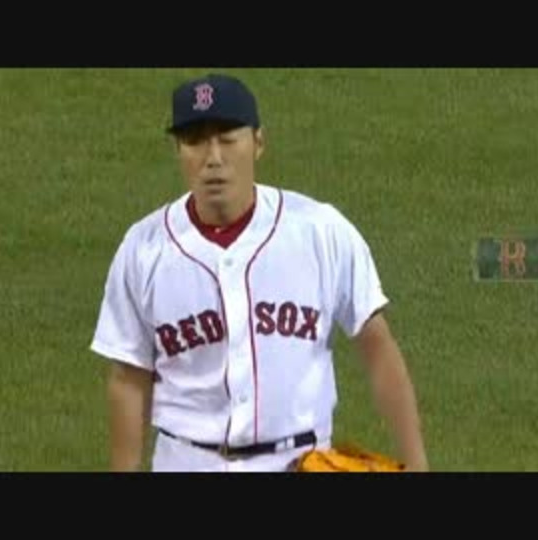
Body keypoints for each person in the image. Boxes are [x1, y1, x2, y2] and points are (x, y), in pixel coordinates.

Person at [89, 73, 429, 472]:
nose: (213, 158)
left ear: (258, 143)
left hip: (296, 460)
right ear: (178, 150)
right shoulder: (143, 249)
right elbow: (129, 377)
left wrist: (418, 465)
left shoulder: (320, 231)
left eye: (228, 138)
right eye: (195, 141)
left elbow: (377, 348)